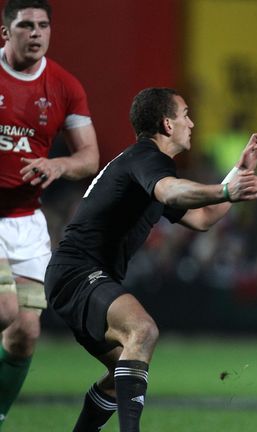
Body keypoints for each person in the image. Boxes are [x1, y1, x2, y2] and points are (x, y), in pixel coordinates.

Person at [44, 87, 257, 432]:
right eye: (185, 115)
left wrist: (235, 174)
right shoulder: (148, 160)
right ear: (167, 124)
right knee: (143, 329)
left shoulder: (146, 170)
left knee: (120, 372)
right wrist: (226, 190)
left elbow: (203, 219)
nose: (191, 123)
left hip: (74, 277)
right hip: (77, 273)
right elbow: (169, 190)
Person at [0, 0, 99, 428]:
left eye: (43, 25)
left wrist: (58, 166)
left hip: (26, 222)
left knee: (25, 333)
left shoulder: (64, 85)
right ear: (6, 32)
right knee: (4, 310)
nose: (36, 33)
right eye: (25, 25)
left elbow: (89, 157)